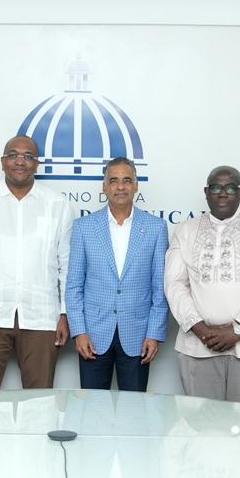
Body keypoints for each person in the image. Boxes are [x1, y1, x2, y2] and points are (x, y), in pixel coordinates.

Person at [0, 135, 75, 390]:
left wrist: (65, 313)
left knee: (40, 402)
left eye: (28, 156)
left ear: (37, 164)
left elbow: (67, 265)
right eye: (13, 155)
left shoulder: (58, 204)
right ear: (2, 162)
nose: (20, 161)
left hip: (42, 316)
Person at [165, 166, 240, 406]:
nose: (223, 193)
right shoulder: (186, 230)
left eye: (231, 187)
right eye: (216, 187)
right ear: (206, 192)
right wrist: (200, 329)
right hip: (198, 347)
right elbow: (174, 284)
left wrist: (237, 329)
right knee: (201, 423)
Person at [66, 157, 169, 391]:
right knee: (92, 407)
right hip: (92, 335)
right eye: (113, 181)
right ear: (104, 186)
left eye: (126, 180)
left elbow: (159, 287)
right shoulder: (84, 227)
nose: (120, 186)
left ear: (136, 185)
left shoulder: (156, 227)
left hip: (138, 335)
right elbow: (74, 285)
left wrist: (154, 333)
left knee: (134, 408)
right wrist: (79, 331)